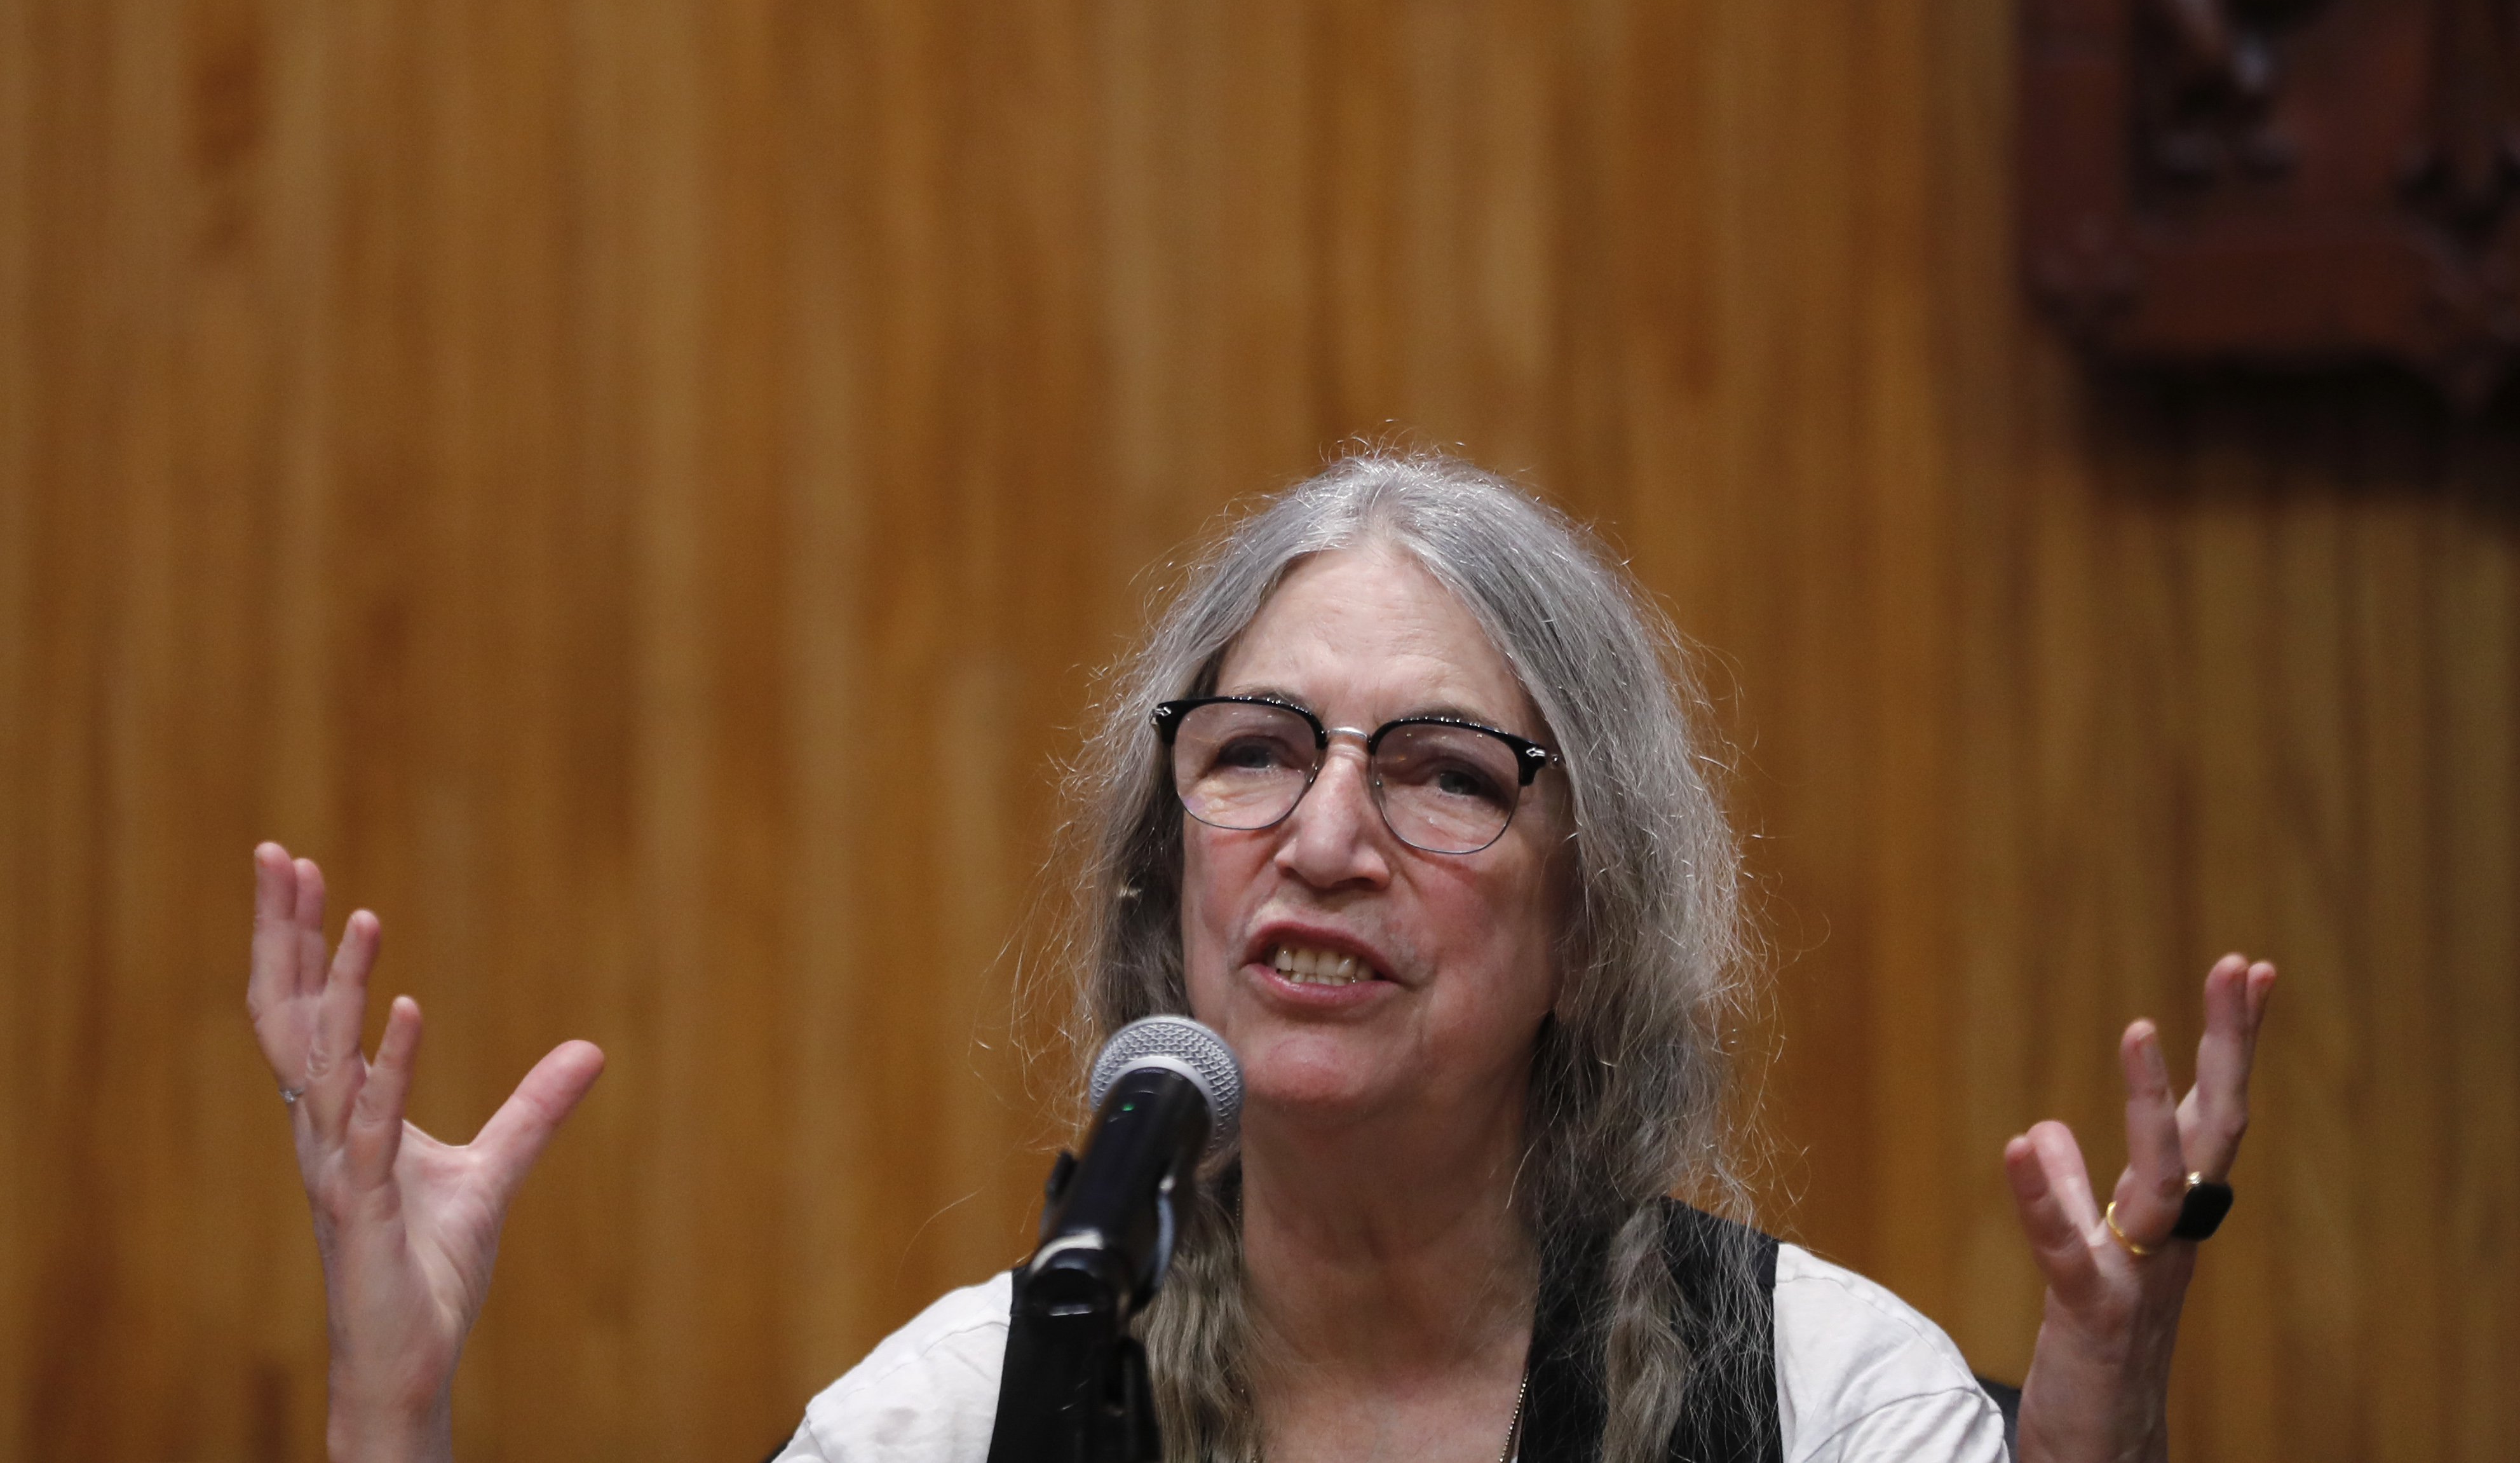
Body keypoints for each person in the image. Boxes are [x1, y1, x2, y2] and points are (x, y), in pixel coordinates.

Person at [248, 452, 2276, 1463]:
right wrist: (389, 1411)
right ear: (1168, 881)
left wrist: (2103, 1427)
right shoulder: (965, 1411)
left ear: (1595, 916)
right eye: (1256, 752)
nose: (1321, 835)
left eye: (1442, 771)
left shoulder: (1816, 1391)